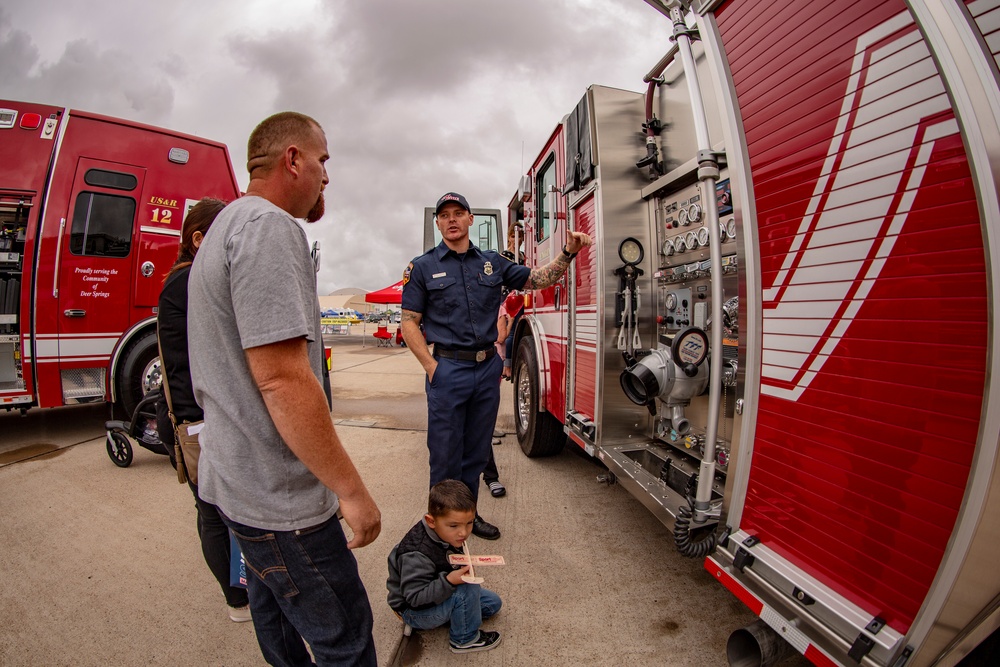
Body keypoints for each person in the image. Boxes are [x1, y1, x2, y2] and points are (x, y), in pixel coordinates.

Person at [187, 111, 380, 666]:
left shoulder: (224, 227)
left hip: (236, 489)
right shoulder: (269, 227)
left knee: (275, 627)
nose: (327, 176)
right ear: (293, 160)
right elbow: (282, 378)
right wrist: (352, 491)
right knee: (344, 638)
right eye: (323, 160)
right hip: (282, 504)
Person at [400, 192, 592, 540]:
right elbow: (409, 322)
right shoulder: (423, 267)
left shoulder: (492, 263)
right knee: (444, 457)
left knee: (475, 454)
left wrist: (568, 252)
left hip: (486, 370)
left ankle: (467, 520)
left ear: (471, 219)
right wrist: (431, 367)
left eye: (459, 213)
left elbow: (539, 279)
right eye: (445, 215)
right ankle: (439, 535)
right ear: (438, 222)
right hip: (448, 371)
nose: (452, 220)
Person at [156, 197, 251, 623]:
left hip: (197, 415)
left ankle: (240, 593)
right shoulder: (192, 282)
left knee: (216, 512)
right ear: (199, 240)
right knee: (216, 514)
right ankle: (237, 599)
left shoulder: (183, 280)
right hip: (200, 420)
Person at [386, 480, 503, 654]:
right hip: (413, 611)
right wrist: (449, 580)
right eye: (454, 525)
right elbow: (414, 598)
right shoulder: (417, 554)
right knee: (468, 588)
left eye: (469, 523)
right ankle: (464, 640)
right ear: (431, 521)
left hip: (434, 594)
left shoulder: (444, 533)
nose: (463, 532)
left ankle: (455, 615)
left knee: (493, 603)